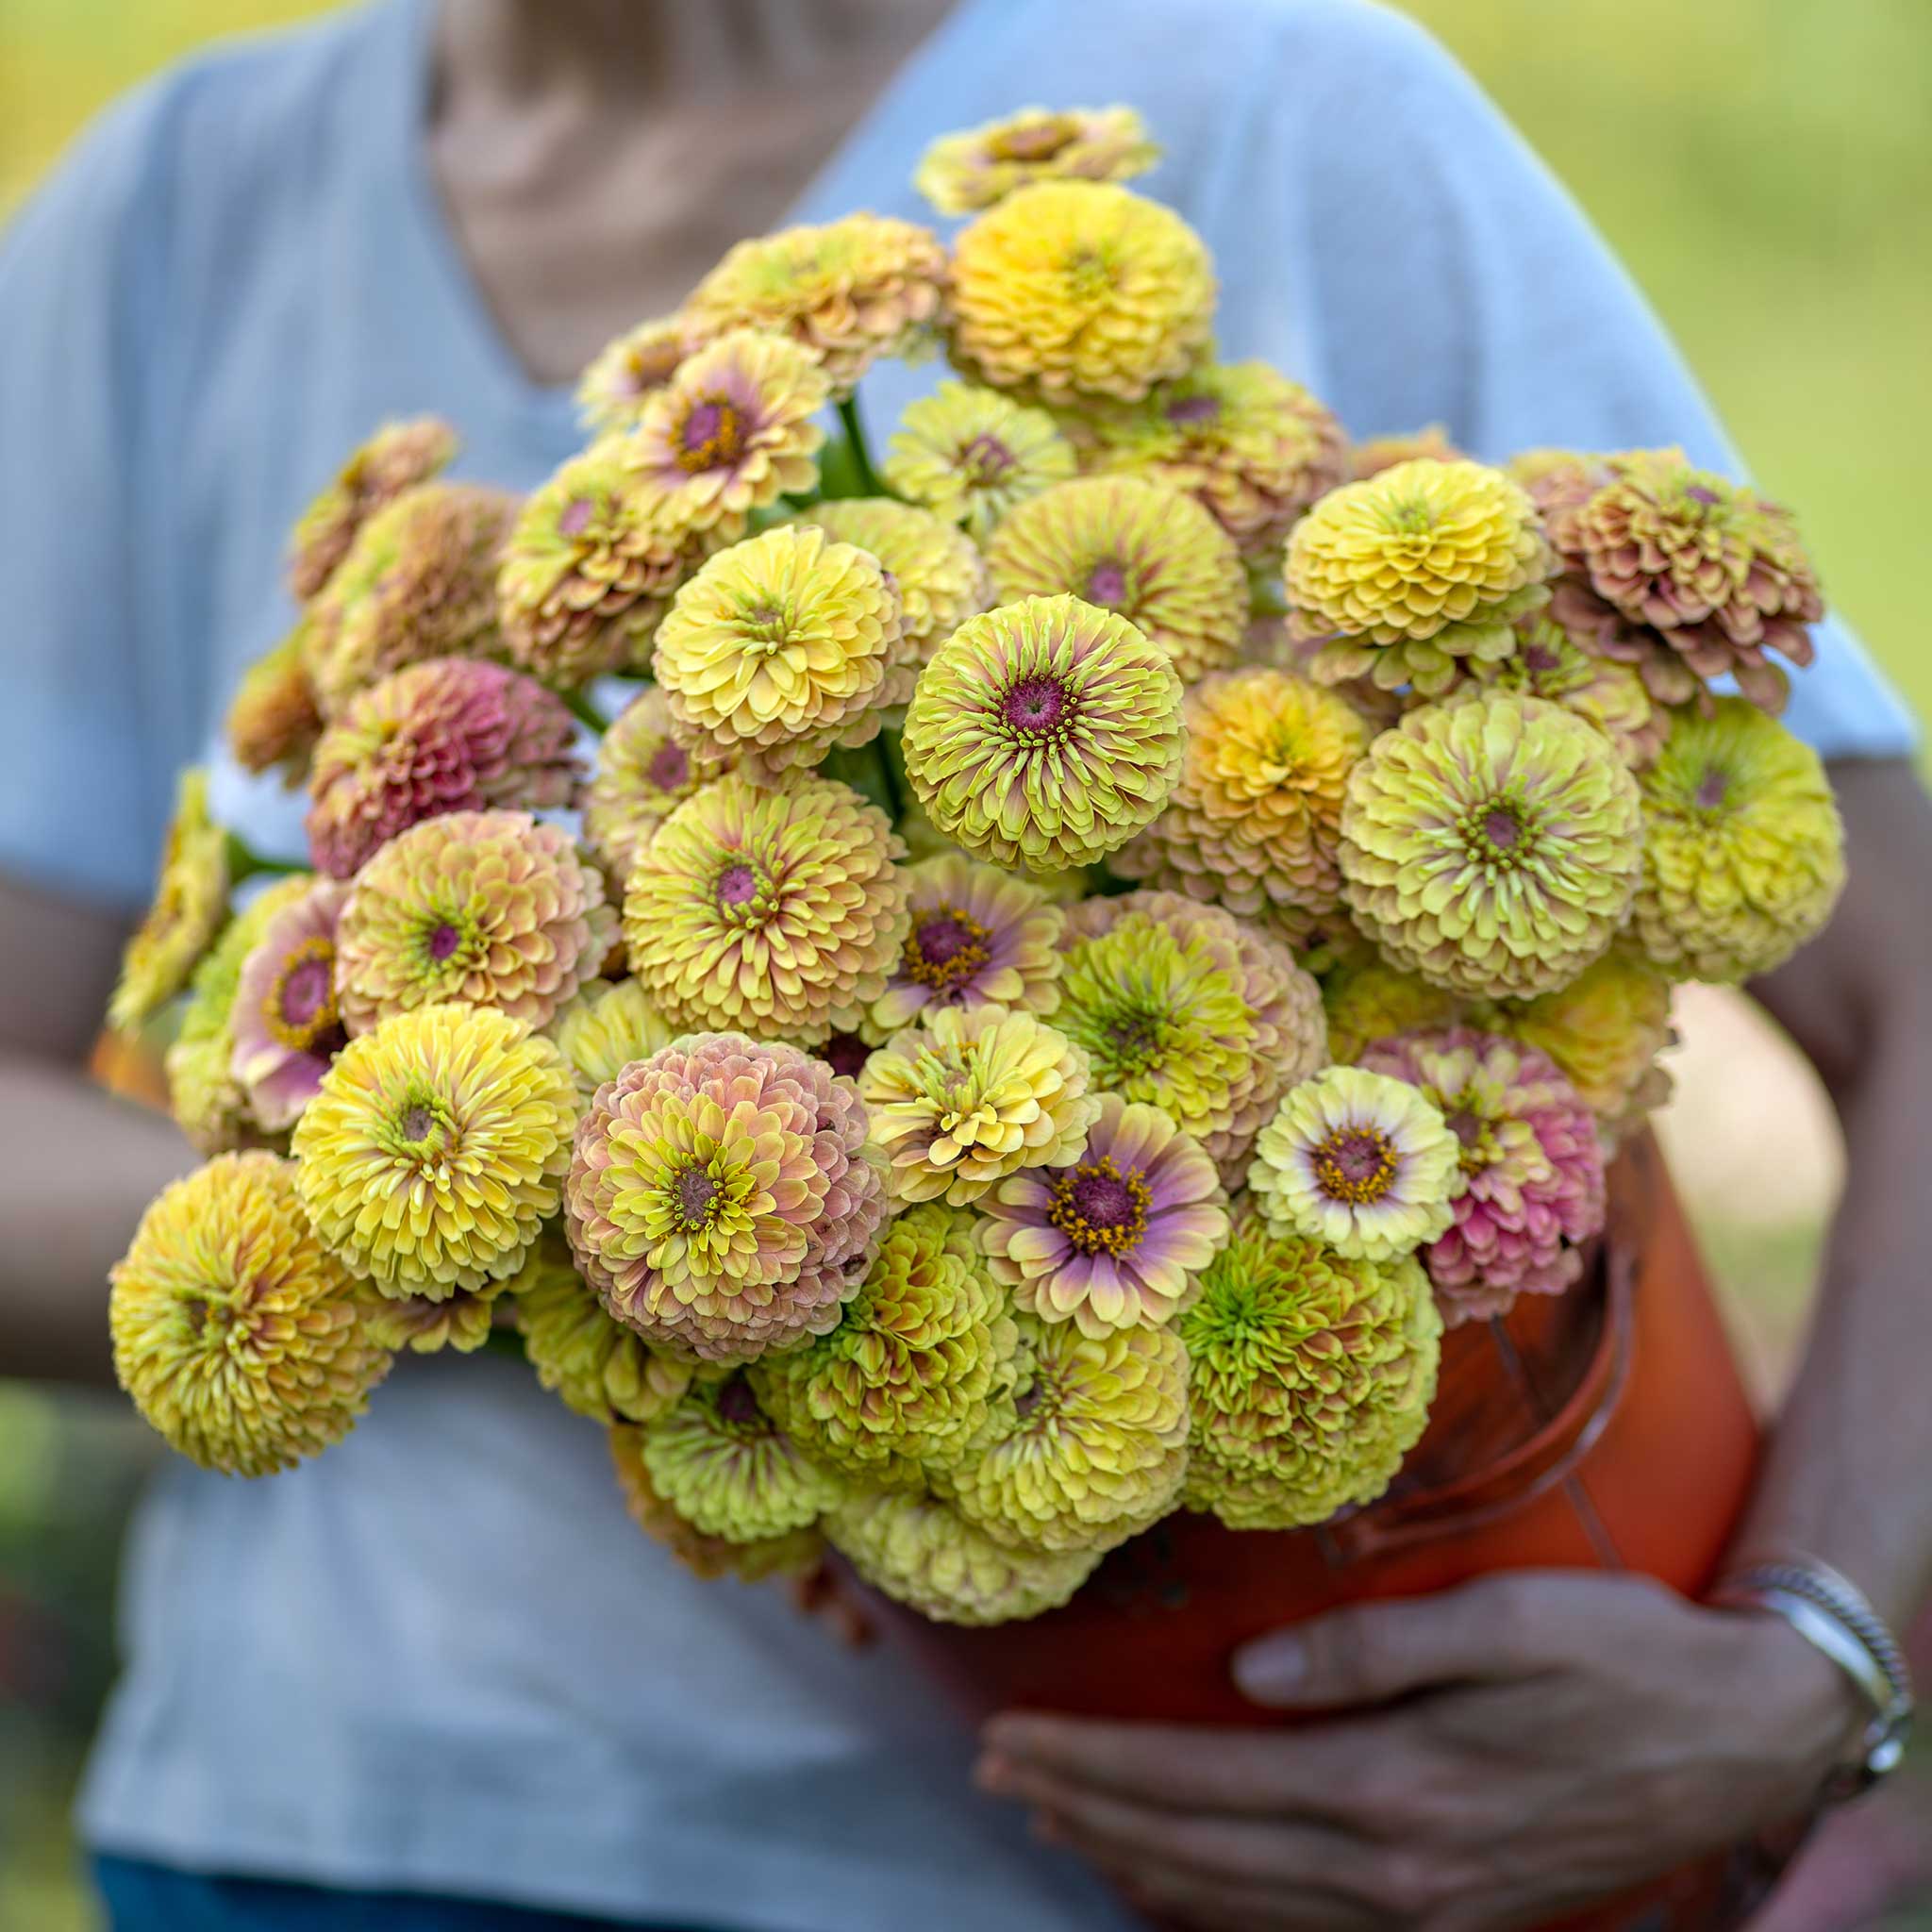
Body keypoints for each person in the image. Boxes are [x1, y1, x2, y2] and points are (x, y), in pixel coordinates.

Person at [1, 1, 1925, 1926]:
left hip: (1086, 1871)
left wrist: (1816, 1658)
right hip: (335, 1825)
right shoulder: (178, 204)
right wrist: (475, 1207)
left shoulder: (1275, 110)